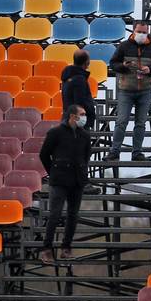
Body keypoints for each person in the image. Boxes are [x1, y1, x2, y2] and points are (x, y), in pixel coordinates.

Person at [39, 105, 93, 264]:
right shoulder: (55, 132)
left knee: (73, 216)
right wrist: (54, 172)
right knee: (55, 215)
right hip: (59, 180)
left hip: (77, 181)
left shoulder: (85, 135)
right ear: (72, 116)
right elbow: (44, 155)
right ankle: (46, 249)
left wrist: (82, 174)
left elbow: (86, 157)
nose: (85, 117)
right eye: (82, 114)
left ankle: (66, 248)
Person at [107, 22, 151, 162]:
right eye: (139, 31)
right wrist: (123, 66)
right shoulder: (124, 46)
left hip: (144, 90)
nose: (142, 34)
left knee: (141, 123)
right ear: (134, 31)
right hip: (126, 89)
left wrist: (150, 70)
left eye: (144, 32)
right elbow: (113, 64)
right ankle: (114, 152)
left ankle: (137, 153)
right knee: (121, 122)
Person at [60, 50, 101, 195]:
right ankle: (82, 184)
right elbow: (80, 103)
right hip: (77, 122)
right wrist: (89, 112)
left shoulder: (68, 78)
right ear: (86, 63)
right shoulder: (78, 79)